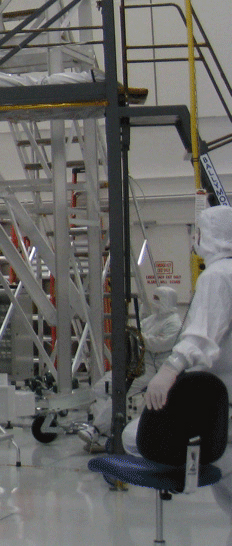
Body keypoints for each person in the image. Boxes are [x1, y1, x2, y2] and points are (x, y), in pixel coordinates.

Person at [125, 205, 232, 525]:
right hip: (223, 403)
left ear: (210, 236)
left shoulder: (217, 276)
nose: (194, 240)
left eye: (198, 233)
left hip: (219, 408)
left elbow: (201, 337)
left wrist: (170, 370)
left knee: (134, 437)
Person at [140, 285, 183, 373]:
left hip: (160, 367)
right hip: (145, 363)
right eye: (153, 298)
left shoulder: (174, 323)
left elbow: (159, 344)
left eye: (156, 298)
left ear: (166, 300)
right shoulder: (153, 319)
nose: (153, 302)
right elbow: (138, 329)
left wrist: (140, 337)